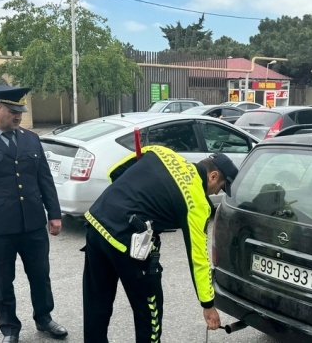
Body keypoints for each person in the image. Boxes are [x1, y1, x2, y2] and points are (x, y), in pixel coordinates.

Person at [83, 146, 239, 342]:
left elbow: (115, 172)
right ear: (213, 176)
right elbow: (198, 259)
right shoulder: (197, 202)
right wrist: (208, 304)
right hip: (129, 242)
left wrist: (126, 203)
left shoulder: (161, 152)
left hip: (97, 222)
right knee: (149, 314)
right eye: (221, 188)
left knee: (96, 302)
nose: (217, 193)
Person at [0, 85, 67, 343]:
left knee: (40, 275)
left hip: (33, 224)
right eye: (13, 111)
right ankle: (9, 329)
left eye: (21, 111)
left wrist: (54, 213)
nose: (19, 116)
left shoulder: (31, 138)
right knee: (2, 281)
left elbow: (44, 178)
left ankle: (44, 318)